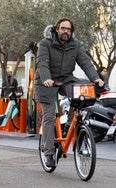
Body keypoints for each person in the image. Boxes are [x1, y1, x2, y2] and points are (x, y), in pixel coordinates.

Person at [34, 18, 104, 167]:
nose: (66, 31)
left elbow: (85, 63)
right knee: (49, 116)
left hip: (66, 79)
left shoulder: (75, 45)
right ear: (57, 29)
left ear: (71, 31)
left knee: (81, 98)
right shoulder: (45, 44)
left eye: (69, 29)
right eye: (63, 28)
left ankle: (68, 128)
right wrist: (46, 78)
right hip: (46, 82)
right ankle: (48, 153)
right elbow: (42, 63)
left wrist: (96, 78)